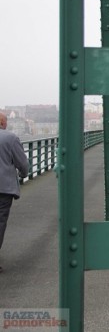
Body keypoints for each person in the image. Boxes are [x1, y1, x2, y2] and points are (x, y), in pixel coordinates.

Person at [0, 112, 29, 273]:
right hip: (3, 188)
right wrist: (23, 175)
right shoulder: (10, 138)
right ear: (3, 123)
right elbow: (22, 164)